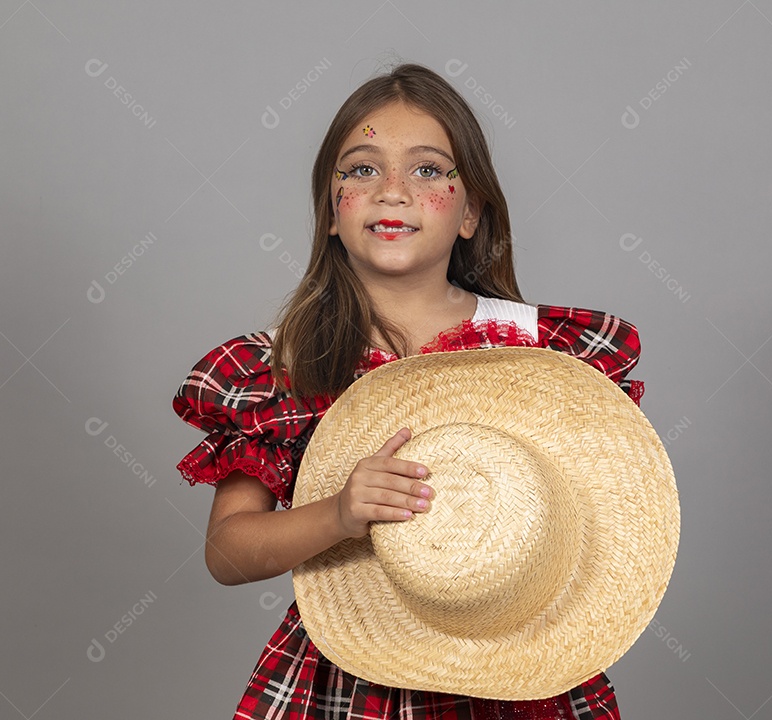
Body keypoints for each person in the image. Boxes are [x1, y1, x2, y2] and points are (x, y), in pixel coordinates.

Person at [172, 62, 645, 720]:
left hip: (517, 671)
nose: (391, 191)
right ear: (330, 213)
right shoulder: (282, 367)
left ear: (471, 212)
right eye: (362, 169)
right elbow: (227, 552)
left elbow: (596, 526)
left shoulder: (544, 356)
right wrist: (337, 515)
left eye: (427, 170)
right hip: (347, 678)